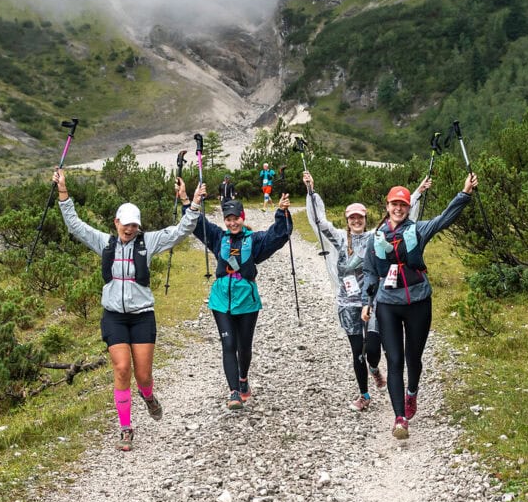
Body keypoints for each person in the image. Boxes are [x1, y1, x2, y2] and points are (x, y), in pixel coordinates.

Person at [53, 167, 204, 452]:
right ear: (116, 222)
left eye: (135, 225)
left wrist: (193, 204)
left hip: (142, 316)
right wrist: (63, 191)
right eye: (126, 224)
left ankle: (148, 396)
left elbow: (181, 231)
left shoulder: (149, 242)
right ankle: (125, 428)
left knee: (143, 377)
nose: (130, 229)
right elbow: (75, 225)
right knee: (122, 369)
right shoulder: (104, 243)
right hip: (114, 317)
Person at [361, 172, 478, 441]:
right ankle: (399, 418)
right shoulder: (375, 238)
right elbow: (369, 271)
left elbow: (444, 219)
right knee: (394, 360)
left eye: (403, 204)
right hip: (388, 304)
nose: (398, 208)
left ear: (408, 207)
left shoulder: (418, 230)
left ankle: (411, 392)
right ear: (387, 206)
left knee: (414, 358)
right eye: (394, 204)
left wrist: (464, 194)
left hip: (419, 302)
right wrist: (368, 302)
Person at [187, 190, 292, 408]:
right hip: (220, 301)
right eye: (228, 219)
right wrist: (189, 201)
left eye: (236, 218)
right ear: (224, 220)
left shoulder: (254, 240)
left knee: (244, 346)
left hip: (246, 302)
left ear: (243, 217)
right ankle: (234, 393)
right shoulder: (218, 237)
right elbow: (197, 224)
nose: (232, 223)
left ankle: (243, 379)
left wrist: (281, 212)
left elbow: (278, 236)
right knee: (228, 344)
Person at [302, 170, 386, 412]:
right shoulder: (339, 238)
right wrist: (311, 191)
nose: (356, 221)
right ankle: (364, 395)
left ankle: (374, 368)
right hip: (347, 305)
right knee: (357, 351)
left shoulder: (374, 237)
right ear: (347, 220)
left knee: (373, 349)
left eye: (360, 217)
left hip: (371, 302)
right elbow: (319, 222)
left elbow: (395, 221)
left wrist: (417, 193)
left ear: (365, 219)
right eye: (352, 218)